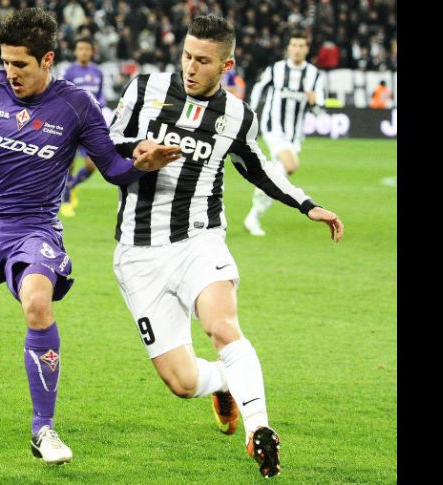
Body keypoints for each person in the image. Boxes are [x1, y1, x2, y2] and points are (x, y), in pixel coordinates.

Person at [0, 8, 181, 465]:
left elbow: (111, 167)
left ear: (47, 59)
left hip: (35, 229)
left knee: (37, 300)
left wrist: (140, 168)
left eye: (21, 65)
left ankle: (43, 429)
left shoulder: (76, 106)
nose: (10, 73)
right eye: (6, 62)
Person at [108, 14, 344, 478]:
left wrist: (306, 204)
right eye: (186, 57)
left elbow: (258, 166)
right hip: (138, 251)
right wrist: (141, 153)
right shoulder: (143, 90)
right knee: (180, 382)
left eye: (203, 61)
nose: (191, 68)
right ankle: (221, 383)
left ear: (227, 64)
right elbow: (108, 142)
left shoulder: (236, 115)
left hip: (200, 237)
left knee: (222, 325)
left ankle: (260, 429)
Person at [243, 31, 326, 237]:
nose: (297, 49)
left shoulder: (314, 75)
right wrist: (250, 112)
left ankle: (254, 214)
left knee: (277, 174)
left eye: (301, 45)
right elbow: (258, 89)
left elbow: (319, 109)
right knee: (291, 165)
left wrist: (313, 101)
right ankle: (254, 213)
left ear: (307, 49)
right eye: (294, 45)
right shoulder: (276, 69)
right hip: (274, 129)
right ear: (288, 48)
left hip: (295, 135)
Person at [59, 37, 106, 217]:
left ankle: (72, 185)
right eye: (81, 49)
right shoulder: (69, 72)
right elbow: (63, 96)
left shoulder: (97, 72)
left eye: (87, 49)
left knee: (92, 165)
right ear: (76, 51)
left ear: (92, 51)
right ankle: (67, 200)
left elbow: (100, 96)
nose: (84, 52)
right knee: (69, 164)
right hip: (72, 124)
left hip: (90, 126)